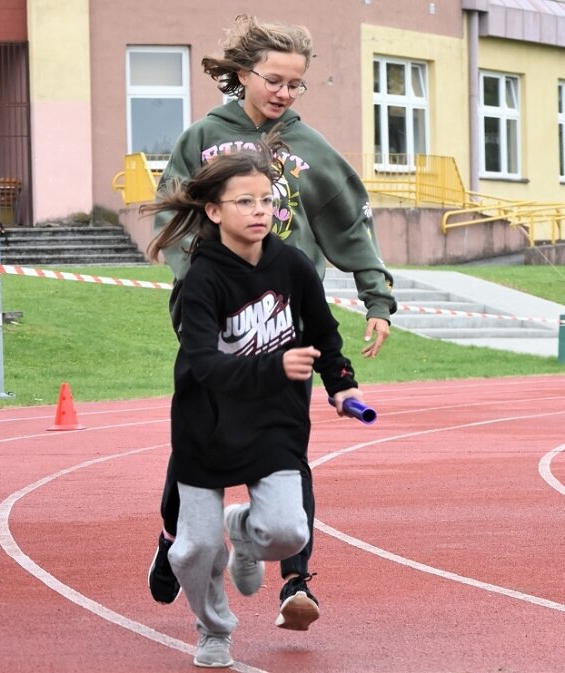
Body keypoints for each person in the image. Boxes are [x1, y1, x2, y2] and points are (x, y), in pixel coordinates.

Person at [147, 14, 397, 630]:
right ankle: (171, 534)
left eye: (295, 83)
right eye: (273, 79)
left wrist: (376, 296)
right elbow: (171, 214)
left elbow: (348, 221)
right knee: (204, 429)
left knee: (286, 436)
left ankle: (295, 580)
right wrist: (197, 279)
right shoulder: (204, 136)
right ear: (243, 74)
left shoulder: (309, 148)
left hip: (285, 316)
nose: (284, 91)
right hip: (213, 312)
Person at [144, 137, 365, 668]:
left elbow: (325, 334)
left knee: (289, 531)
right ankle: (214, 628)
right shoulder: (202, 280)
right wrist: (275, 366)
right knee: (195, 551)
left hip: (273, 425)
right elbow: (204, 366)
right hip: (207, 428)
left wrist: (341, 383)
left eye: (267, 200)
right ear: (215, 211)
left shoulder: (293, 266)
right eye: (245, 201)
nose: (260, 211)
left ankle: (243, 531)